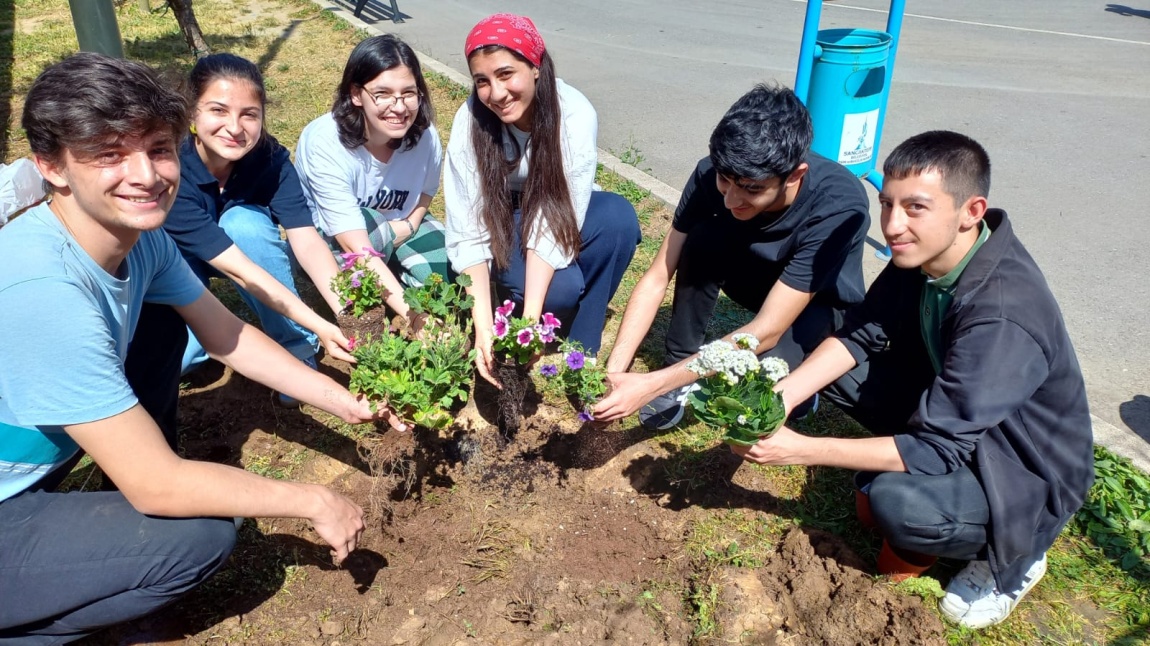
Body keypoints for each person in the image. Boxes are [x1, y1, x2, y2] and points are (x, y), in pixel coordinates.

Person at [0, 53, 404, 642]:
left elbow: (228, 334)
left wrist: (343, 401)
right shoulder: (43, 289)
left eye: (157, 150)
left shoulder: (139, 240)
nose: (144, 175)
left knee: (164, 336)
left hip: (27, 479)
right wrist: (312, 499)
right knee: (198, 535)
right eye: (110, 154)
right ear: (52, 167)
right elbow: (156, 483)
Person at [730, 131, 1093, 629]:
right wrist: (781, 397)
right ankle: (919, 483)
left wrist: (797, 449)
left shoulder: (1004, 314)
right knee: (831, 365)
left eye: (915, 207)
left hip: (1023, 463)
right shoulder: (924, 254)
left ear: (971, 210)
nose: (893, 225)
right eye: (886, 204)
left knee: (896, 505)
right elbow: (862, 332)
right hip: (962, 412)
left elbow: (934, 449)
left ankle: (1019, 554)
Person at [593, 84, 869, 430]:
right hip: (758, 279)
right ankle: (680, 364)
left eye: (752, 189)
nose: (730, 199)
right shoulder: (711, 173)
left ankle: (802, 371)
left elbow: (766, 330)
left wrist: (653, 383)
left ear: (794, 175)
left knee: (754, 385)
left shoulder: (839, 204)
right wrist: (615, 370)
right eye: (726, 180)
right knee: (701, 238)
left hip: (819, 303)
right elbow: (657, 276)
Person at [444, 13, 641, 385]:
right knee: (561, 291)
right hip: (503, 215)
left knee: (618, 219)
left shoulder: (574, 113)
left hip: (556, 208)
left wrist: (531, 318)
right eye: (482, 81)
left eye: (506, 74)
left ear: (535, 66)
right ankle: (546, 300)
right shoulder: (470, 120)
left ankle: (581, 345)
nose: (496, 94)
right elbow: (468, 226)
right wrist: (483, 325)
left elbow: (555, 216)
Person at [164, 53, 352, 398]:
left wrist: (348, 312)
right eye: (218, 110)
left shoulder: (270, 160)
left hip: (239, 248)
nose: (235, 128)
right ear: (193, 113)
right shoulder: (171, 169)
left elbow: (307, 241)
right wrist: (321, 323)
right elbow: (239, 270)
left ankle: (295, 349)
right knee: (181, 358)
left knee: (245, 223)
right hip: (177, 263)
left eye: (249, 114)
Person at [295, 34, 449, 327]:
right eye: (383, 94)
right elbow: (355, 246)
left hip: (403, 228)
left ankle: (398, 286)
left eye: (409, 93)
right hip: (339, 241)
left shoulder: (425, 137)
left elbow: (427, 192)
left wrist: (409, 225)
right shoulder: (325, 142)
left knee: (448, 265)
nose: (400, 107)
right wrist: (414, 318)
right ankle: (388, 302)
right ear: (356, 94)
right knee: (366, 230)